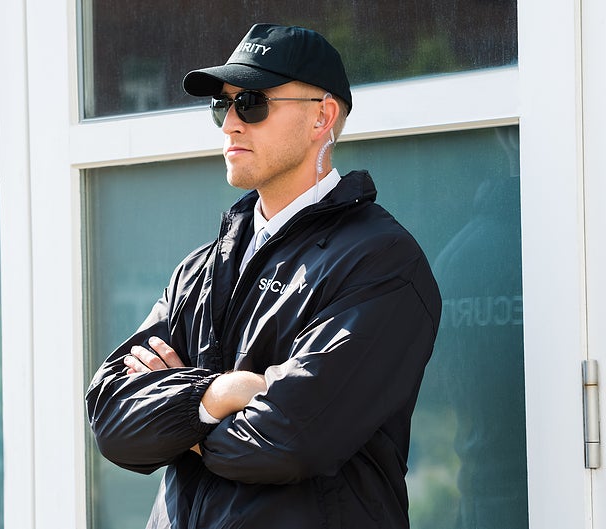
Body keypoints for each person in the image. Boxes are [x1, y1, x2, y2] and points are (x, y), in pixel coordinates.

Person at [83, 24, 442, 528]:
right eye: (221, 106)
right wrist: (219, 397)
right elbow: (113, 423)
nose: (230, 123)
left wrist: (175, 417)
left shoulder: (380, 262)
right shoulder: (199, 270)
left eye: (251, 102)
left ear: (323, 115)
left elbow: (286, 443)